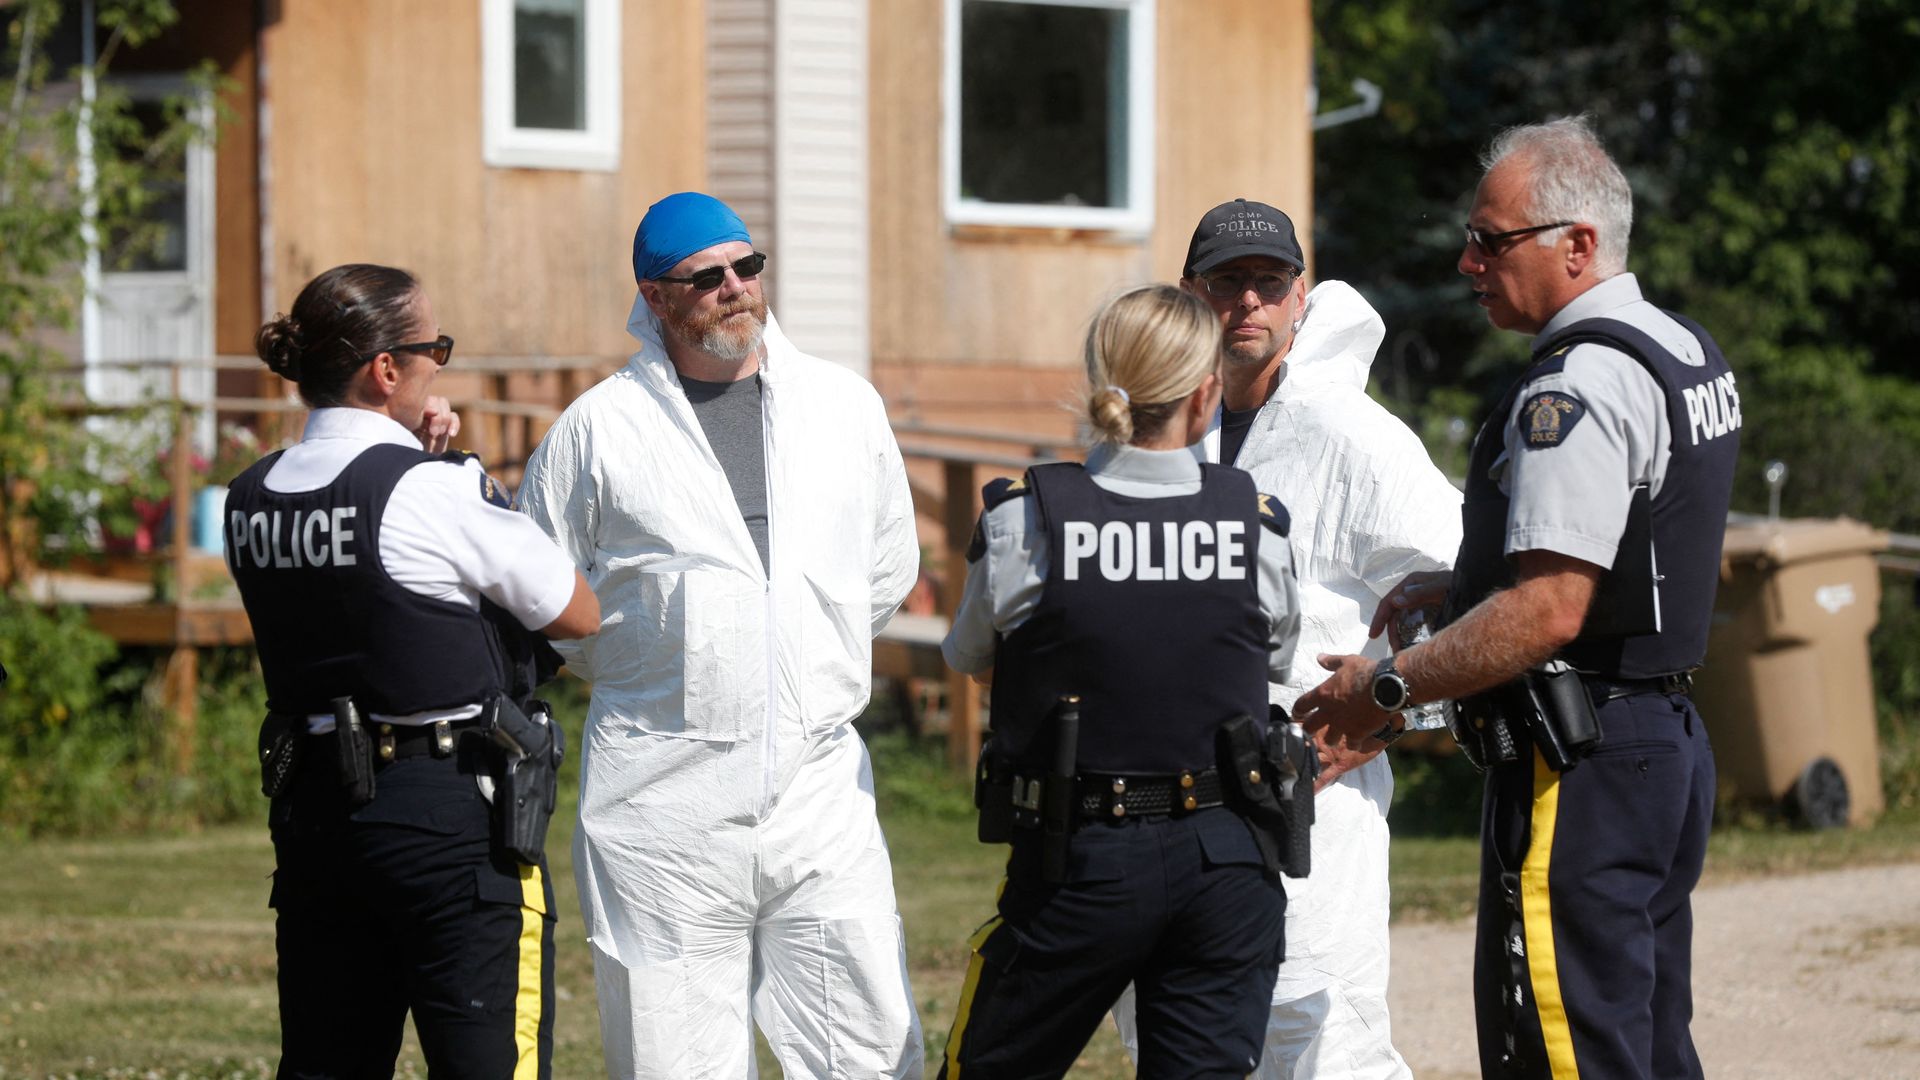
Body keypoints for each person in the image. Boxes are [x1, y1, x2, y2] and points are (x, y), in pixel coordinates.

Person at [1296, 116, 1737, 1080]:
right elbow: (1647, 539)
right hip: (1661, 744)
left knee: (1562, 1043)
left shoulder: (1575, 387)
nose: (1467, 262)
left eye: (1491, 241)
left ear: (1577, 245)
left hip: (1580, 762)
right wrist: (1470, 580)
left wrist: (1384, 690)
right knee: (1648, 1039)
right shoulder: (1682, 347)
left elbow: (1548, 613)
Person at [516, 192, 924, 1078]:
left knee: (867, 1049)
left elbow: (884, 570)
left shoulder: (843, 408)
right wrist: (659, 667)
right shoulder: (598, 431)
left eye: (748, 266)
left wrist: (794, 652)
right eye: (706, 277)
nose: (736, 288)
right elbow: (542, 589)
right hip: (661, 799)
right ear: (656, 298)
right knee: (675, 1058)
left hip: (821, 794)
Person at [1113, 199, 1460, 1079]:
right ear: (1191, 294)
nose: (1249, 304)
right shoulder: (1155, 434)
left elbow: (1462, 588)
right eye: (1227, 283)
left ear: (1301, 295)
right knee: (1181, 1040)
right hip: (1168, 802)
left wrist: (1390, 703)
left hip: (1309, 798)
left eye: (1269, 283)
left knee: (1321, 1039)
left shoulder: (1353, 436)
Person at [229, 263, 600, 1078]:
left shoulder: (249, 494)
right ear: (386, 370)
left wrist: (426, 468)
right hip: (442, 814)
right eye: (434, 346)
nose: (441, 362)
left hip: (315, 816)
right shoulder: (433, 491)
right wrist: (471, 482)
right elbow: (575, 612)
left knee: (330, 1060)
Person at [938, 283, 1303, 1079]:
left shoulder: (1023, 520)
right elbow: (1271, 654)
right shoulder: (1256, 524)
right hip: (1226, 860)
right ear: (1206, 394)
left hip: (1080, 861)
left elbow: (966, 656)